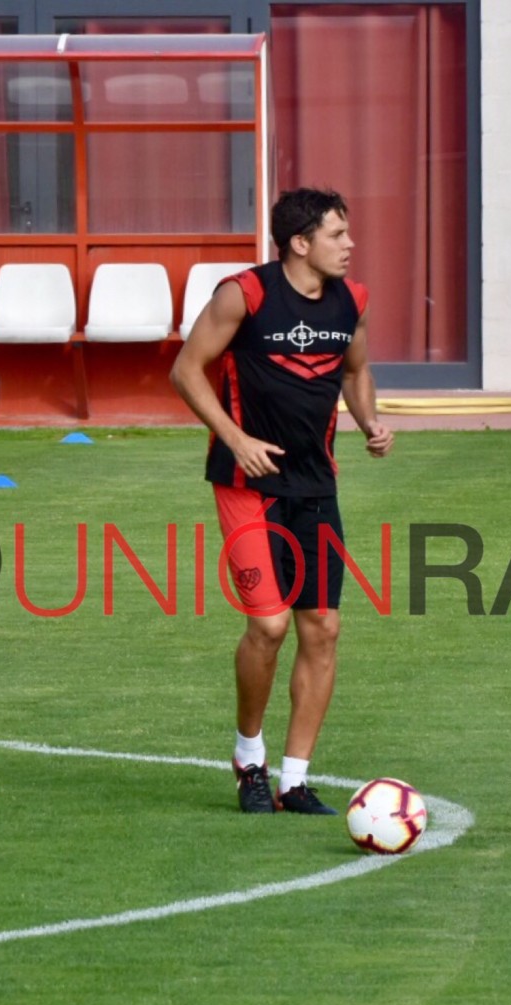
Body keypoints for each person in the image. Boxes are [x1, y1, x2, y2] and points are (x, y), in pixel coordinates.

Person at [170, 187, 394, 815]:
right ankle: (249, 758)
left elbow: (355, 371)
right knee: (268, 626)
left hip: (316, 485)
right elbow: (186, 369)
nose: (349, 245)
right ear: (300, 242)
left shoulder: (352, 301)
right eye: (337, 234)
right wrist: (235, 439)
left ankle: (293, 780)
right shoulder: (244, 294)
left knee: (322, 627)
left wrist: (370, 422)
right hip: (249, 485)